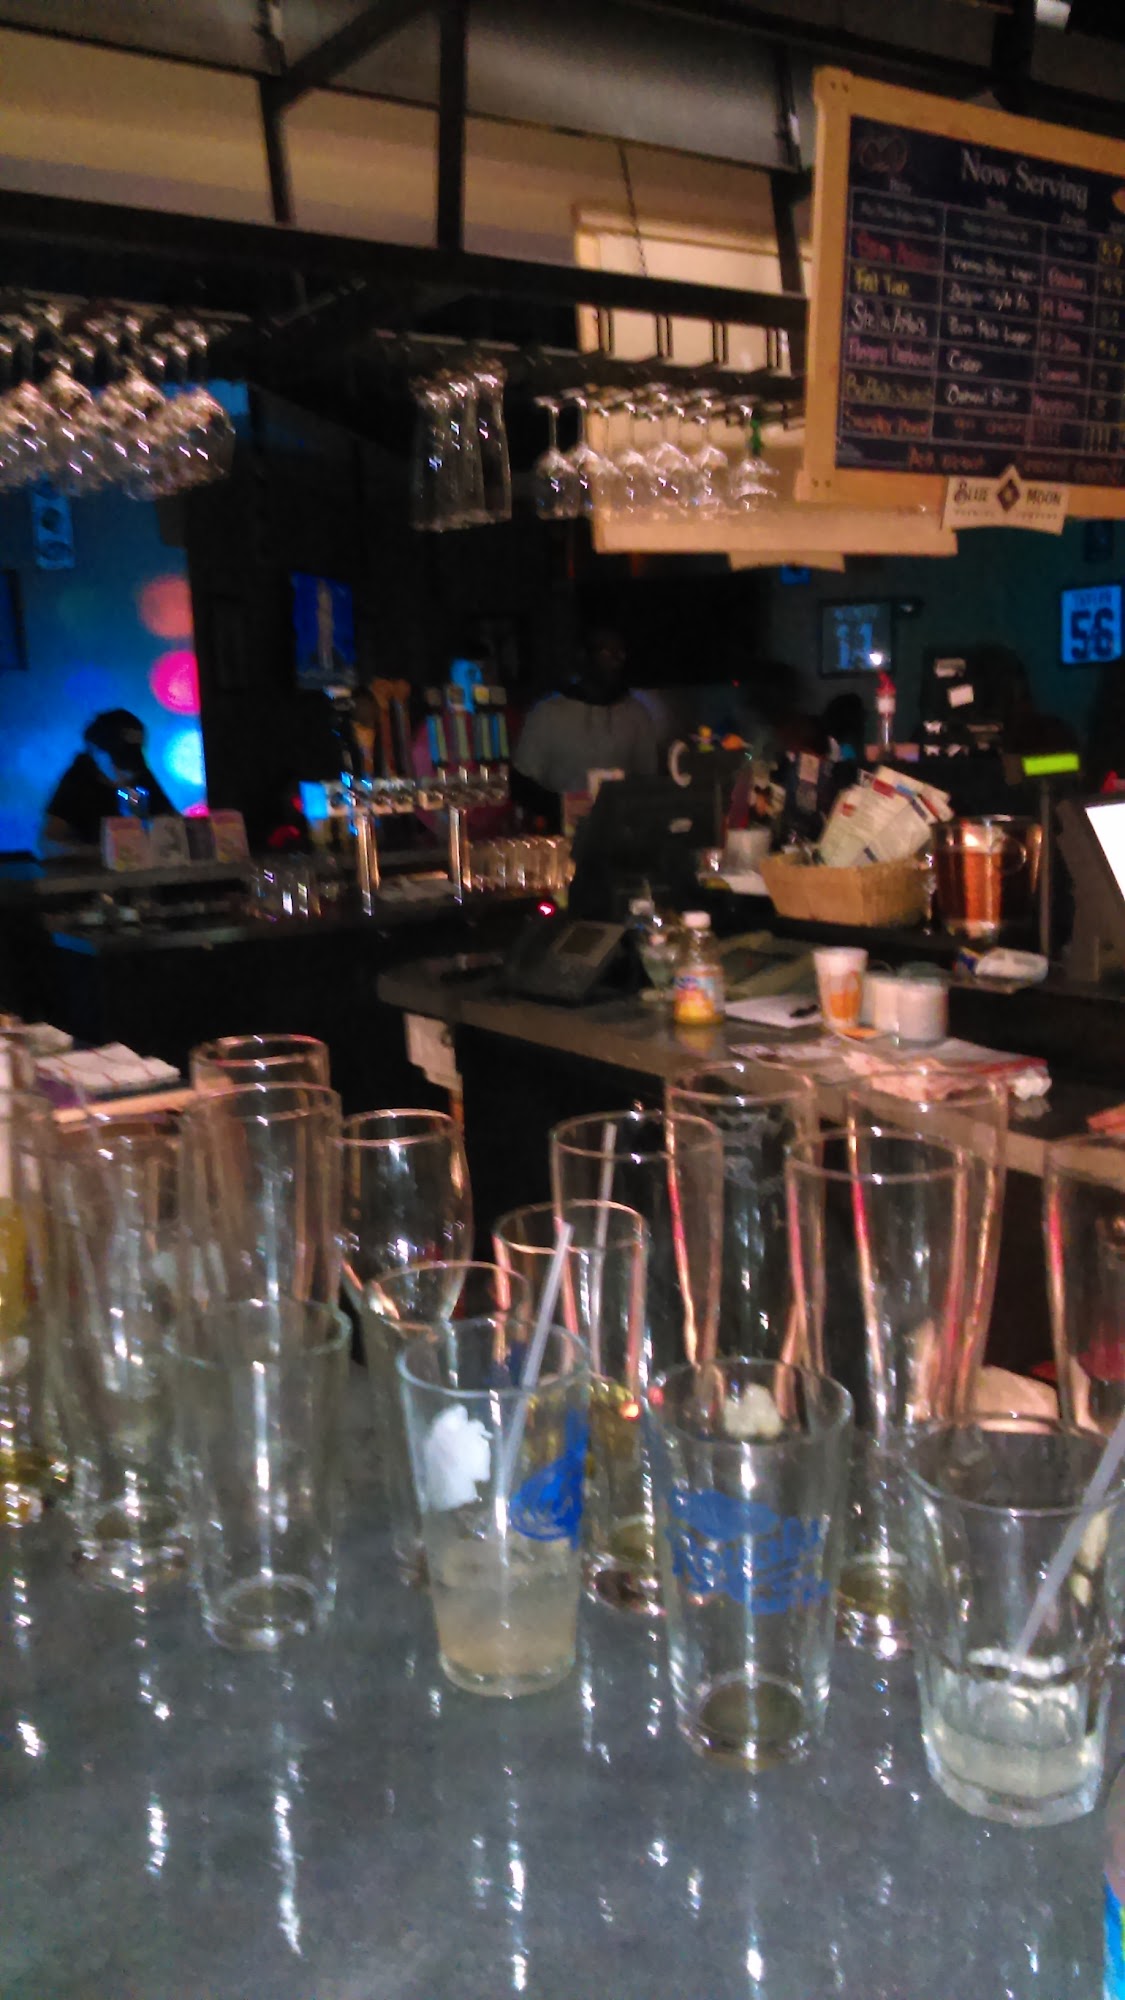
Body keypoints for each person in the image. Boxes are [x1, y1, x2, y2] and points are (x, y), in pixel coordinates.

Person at [512, 625, 659, 823]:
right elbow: (521, 785)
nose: (616, 661)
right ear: (584, 657)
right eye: (606, 653)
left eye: (621, 653)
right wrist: (560, 806)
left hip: (621, 833)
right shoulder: (548, 714)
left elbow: (648, 782)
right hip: (562, 834)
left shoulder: (636, 714)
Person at [41, 709, 177, 856]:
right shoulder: (78, 778)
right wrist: (98, 852)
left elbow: (176, 827)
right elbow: (48, 842)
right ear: (94, 750)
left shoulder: (140, 774)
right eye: (119, 759)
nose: (128, 771)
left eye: (133, 760)